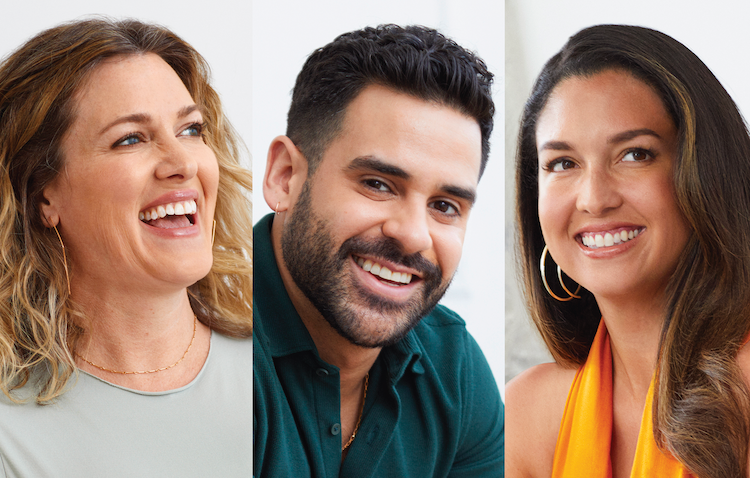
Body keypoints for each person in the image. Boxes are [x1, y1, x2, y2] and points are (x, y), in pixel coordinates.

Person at [0, 18, 253, 477]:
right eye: (130, 139)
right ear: (43, 195)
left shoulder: (286, 368)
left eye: (191, 130)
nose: (182, 163)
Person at [253, 24, 504, 477]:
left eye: (445, 206)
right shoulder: (201, 347)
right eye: (378, 184)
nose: (412, 235)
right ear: (285, 176)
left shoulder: (455, 369)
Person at [507, 24, 750, 478]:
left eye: (635, 154)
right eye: (563, 163)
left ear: (705, 171)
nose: (594, 198)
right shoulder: (529, 414)